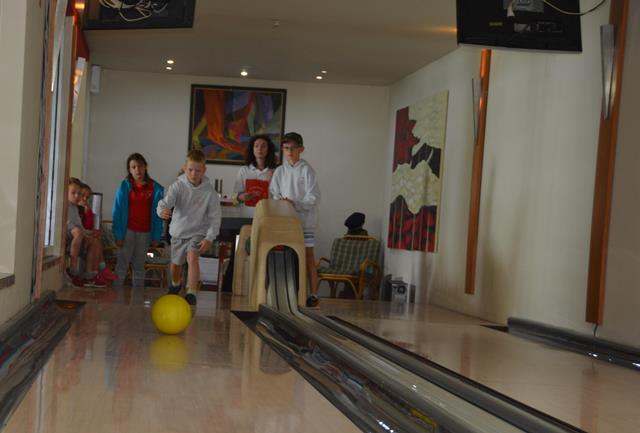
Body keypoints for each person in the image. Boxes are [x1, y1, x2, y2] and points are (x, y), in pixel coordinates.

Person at [157, 149, 221, 306]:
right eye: (190, 170)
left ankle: (191, 292)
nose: (193, 174)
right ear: (184, 168)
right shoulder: (177, 186)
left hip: (198, 232)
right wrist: (162, 210)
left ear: (204, 170)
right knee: (176, 264)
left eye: (198, 170)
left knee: (193, 258)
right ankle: (176, 283)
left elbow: (215, 217)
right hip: (179, 232)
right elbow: (165, 203)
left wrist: (209, 237)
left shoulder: (210, 192)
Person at [269, 132, 321, 308]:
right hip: (286, 221)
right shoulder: (280, 171)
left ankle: (313, 294)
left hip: (305, 221)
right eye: (286, 148)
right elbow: (274, 193)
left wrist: (295, 203)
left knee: (307, 256)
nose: (289, 152)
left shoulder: (307, 170)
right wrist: (282, 202)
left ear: (301, 149)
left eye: (293, 148)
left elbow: (314, 197)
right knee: (288, 255)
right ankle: (290, 293)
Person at [112, 153, 165, 288]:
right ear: (129, 170)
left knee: (139, 266)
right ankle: (115, 293)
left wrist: (156, 237)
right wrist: (118, 235)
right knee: (122, 265)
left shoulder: (156, 188)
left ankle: (138, 297)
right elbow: (117, 212)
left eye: (140, 166)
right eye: (133, 167)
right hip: (127, 232)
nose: (137, 170)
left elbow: (159, 216)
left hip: (145, 233)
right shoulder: (124, 187)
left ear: (146, 167)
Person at [66, 178, 107, 288]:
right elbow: (68, 224)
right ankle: (73, 269)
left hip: (77, 236)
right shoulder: (64, 205)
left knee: (94, 241)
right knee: (78, 233)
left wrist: (89, 233)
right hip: (69, 237)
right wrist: (84, 233)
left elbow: (81, 227)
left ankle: (91, 275)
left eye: (79, 193)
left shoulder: (75, 208)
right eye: (73, 193)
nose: (77, 196)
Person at [79, 183, 117, 283]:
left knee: (97, 239)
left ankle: (95, 273)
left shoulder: (87, 210)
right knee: (95, 241)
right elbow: (80, 228)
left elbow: (89, 225)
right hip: (80, 238)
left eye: (87, 197)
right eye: (82, 195)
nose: (84, 199)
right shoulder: (75, 209)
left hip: (86, 236)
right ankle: (99, 270)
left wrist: (88, 213)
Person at [233, 135, 278, 216]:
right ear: (252, 149)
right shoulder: (244, 170)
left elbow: (277, 197)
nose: (259, 149)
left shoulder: (275, 172)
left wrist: (271, 179)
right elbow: (236, 195)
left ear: (268, 149)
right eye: (256, 146)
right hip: (247, 216)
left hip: (267, 216)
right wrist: (241, 197)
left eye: (263, 146)